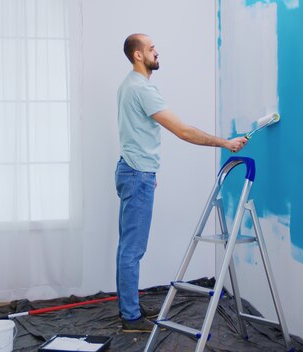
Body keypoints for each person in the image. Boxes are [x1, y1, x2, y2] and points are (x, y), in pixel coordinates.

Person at [115, 33, 248, 332]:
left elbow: (135, 133)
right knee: (132, 250)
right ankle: (131, 318)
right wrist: (225, 143)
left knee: (128, 247)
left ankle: (129, 308)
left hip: (131, 170)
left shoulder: (128, 85)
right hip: (136, 174)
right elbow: (184, 132)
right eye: (151, 49)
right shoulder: (142, 89)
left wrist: (146, 172)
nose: (156, 52)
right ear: (138, 55)